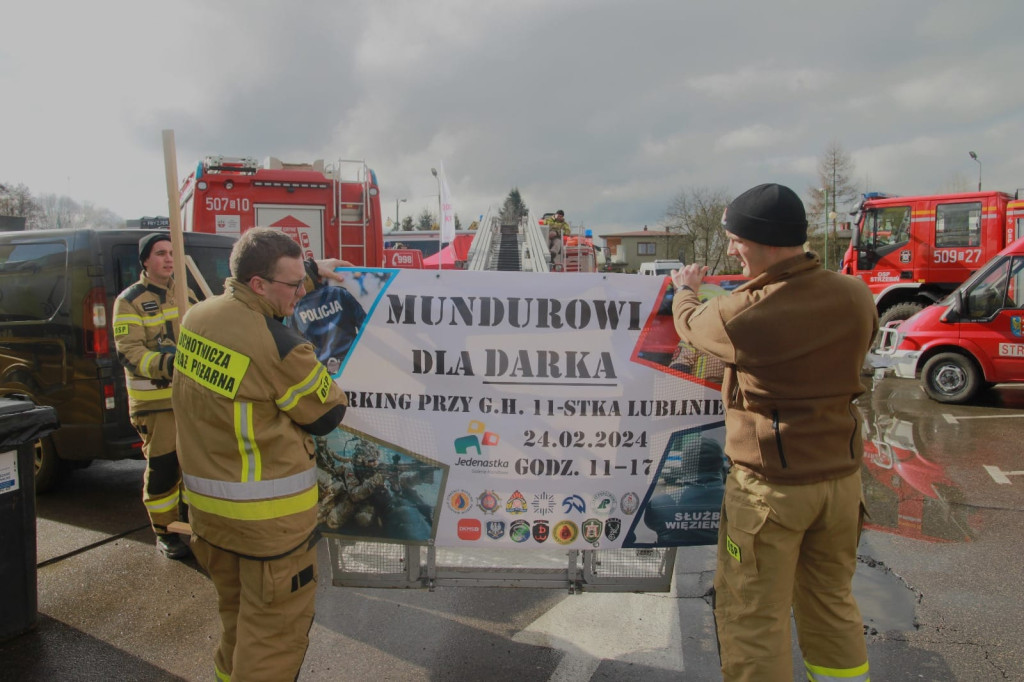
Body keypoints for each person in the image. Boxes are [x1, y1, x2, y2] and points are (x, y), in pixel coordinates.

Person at [670, 183, 877, 682]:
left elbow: (691, 325)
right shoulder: (855, 295)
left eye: (734, 239)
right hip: (841, 487)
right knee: (831, 604)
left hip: (771, 494)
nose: (731, 250)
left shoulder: (746, 312)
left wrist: (685, 287)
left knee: (752, 617)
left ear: (757, 240)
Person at [173, 228, 351, 681]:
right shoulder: (280, 345)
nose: (300, 294)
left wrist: (311, 271)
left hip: (211, 522)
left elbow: (278, 285)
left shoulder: (198, 318)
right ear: (259, 285)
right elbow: (327, 413)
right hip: (269, 533)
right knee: (272, 640)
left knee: (237, 626)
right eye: (293, 286)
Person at [113, 232, 195, 560]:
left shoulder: (185, 293)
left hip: (188, 400)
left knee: (193, 465)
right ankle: (164, 531)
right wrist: (172, 364)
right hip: (154, 403)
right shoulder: (128, 300)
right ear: (145, 260)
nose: (168, 258)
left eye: (172, 252)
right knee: (163, 468)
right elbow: (130, 353)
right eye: (160, 253)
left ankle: (188, 521)